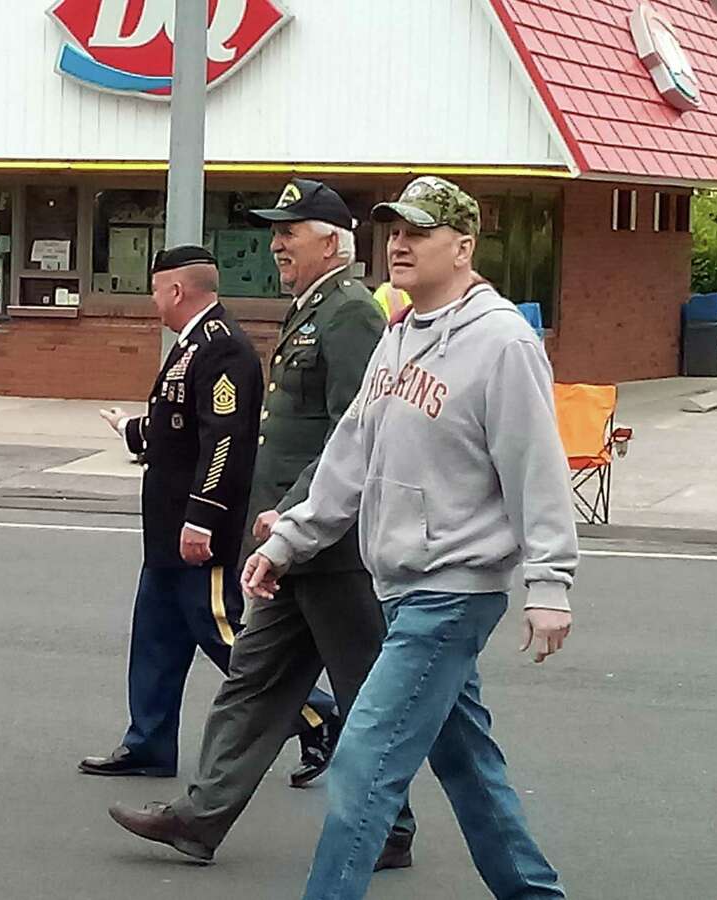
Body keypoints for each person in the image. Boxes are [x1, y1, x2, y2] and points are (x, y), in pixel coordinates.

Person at [244, 176, 577, 900]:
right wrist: (288, 540)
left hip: (452, 589)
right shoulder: (398, 336)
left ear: (463, 247)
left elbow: (536, 467)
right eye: (394, 231)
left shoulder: (501, 343)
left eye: (418, 233)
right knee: (467, 764)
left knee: (363, 760)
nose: (399, 244)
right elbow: (350, 454)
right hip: (399, 584)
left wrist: (549, 583)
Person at [107, 180, 415, 866]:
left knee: (366, 690)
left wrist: (299, 511)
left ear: (330, 243)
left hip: (331, 546)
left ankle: (390, 827)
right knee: (251, 682)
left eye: (289, 232)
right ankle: (199, 818)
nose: (276, 244)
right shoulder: (312, 309)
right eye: (276, 232)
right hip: (290, 544)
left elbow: (355, 433)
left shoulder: (349, 314)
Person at [80, 245, 335, 781]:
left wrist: (202, 517)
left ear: (176, 290)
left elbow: (225, 440)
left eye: (156, 291)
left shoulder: (222, 348)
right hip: (167, 530)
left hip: (198, 529)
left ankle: (317, 714)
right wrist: (130, 429)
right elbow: (179, 427)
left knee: (225, 635)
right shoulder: (191, 345)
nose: (153, 302)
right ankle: (148, 743)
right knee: (156, 637)